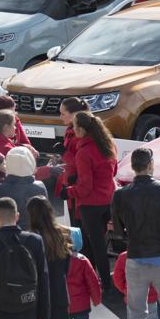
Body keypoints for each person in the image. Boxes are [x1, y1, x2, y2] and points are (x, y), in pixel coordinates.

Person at [111, 148, 160, 319]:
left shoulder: (120, 194)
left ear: (133, 166)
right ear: (151, 164)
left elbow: (117, 230)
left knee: (137, 313)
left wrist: (131, 239)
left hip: (136, 258)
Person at [60, 111, 117, 292]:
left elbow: (85, 188)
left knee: (94, 245)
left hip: (90, 205)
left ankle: (100, 285)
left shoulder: (84, 152)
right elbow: (112, 173)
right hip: (108, 199)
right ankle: (107, 281)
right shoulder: (108, 145)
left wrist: (67, 192)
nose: (73, 130)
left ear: (83, 130)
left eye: (75, 127)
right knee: (102, 243)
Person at [0, 197, 50, 319]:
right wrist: (44, 315)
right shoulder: (35, 241)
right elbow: (43, 279)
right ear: (17, 216)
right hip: (27, 310)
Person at [28, 196, 72, 319]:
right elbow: (66, 268)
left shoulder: (31, 239)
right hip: (60, 294)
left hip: (38, 298)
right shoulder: (63, 234)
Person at [0, 147, 48, 229]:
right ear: (30, 162)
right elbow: (46, 216)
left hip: (6, 237)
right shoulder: (40, 187)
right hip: (34, 235)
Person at [56, 97, 90, 227]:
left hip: (78, 183)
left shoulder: (81, 133)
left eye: (63, 114)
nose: (60, 117)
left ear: (74, 114)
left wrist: (64, 153)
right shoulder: (70, 130)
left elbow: (81, 161)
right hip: (70, 181)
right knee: (74, 224)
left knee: (79, 225)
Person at [67, 224, 101, 319]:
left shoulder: (57, 260)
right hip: (82, 305)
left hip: (64, 305)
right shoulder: (82, 260)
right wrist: (96, 299)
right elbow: (93, 282)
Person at [113, 250, 159, 319]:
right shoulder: (155, 255)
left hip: (132, 298)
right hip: (150, 298)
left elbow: (117, 278)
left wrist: (125, 290)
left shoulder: (124, 256)